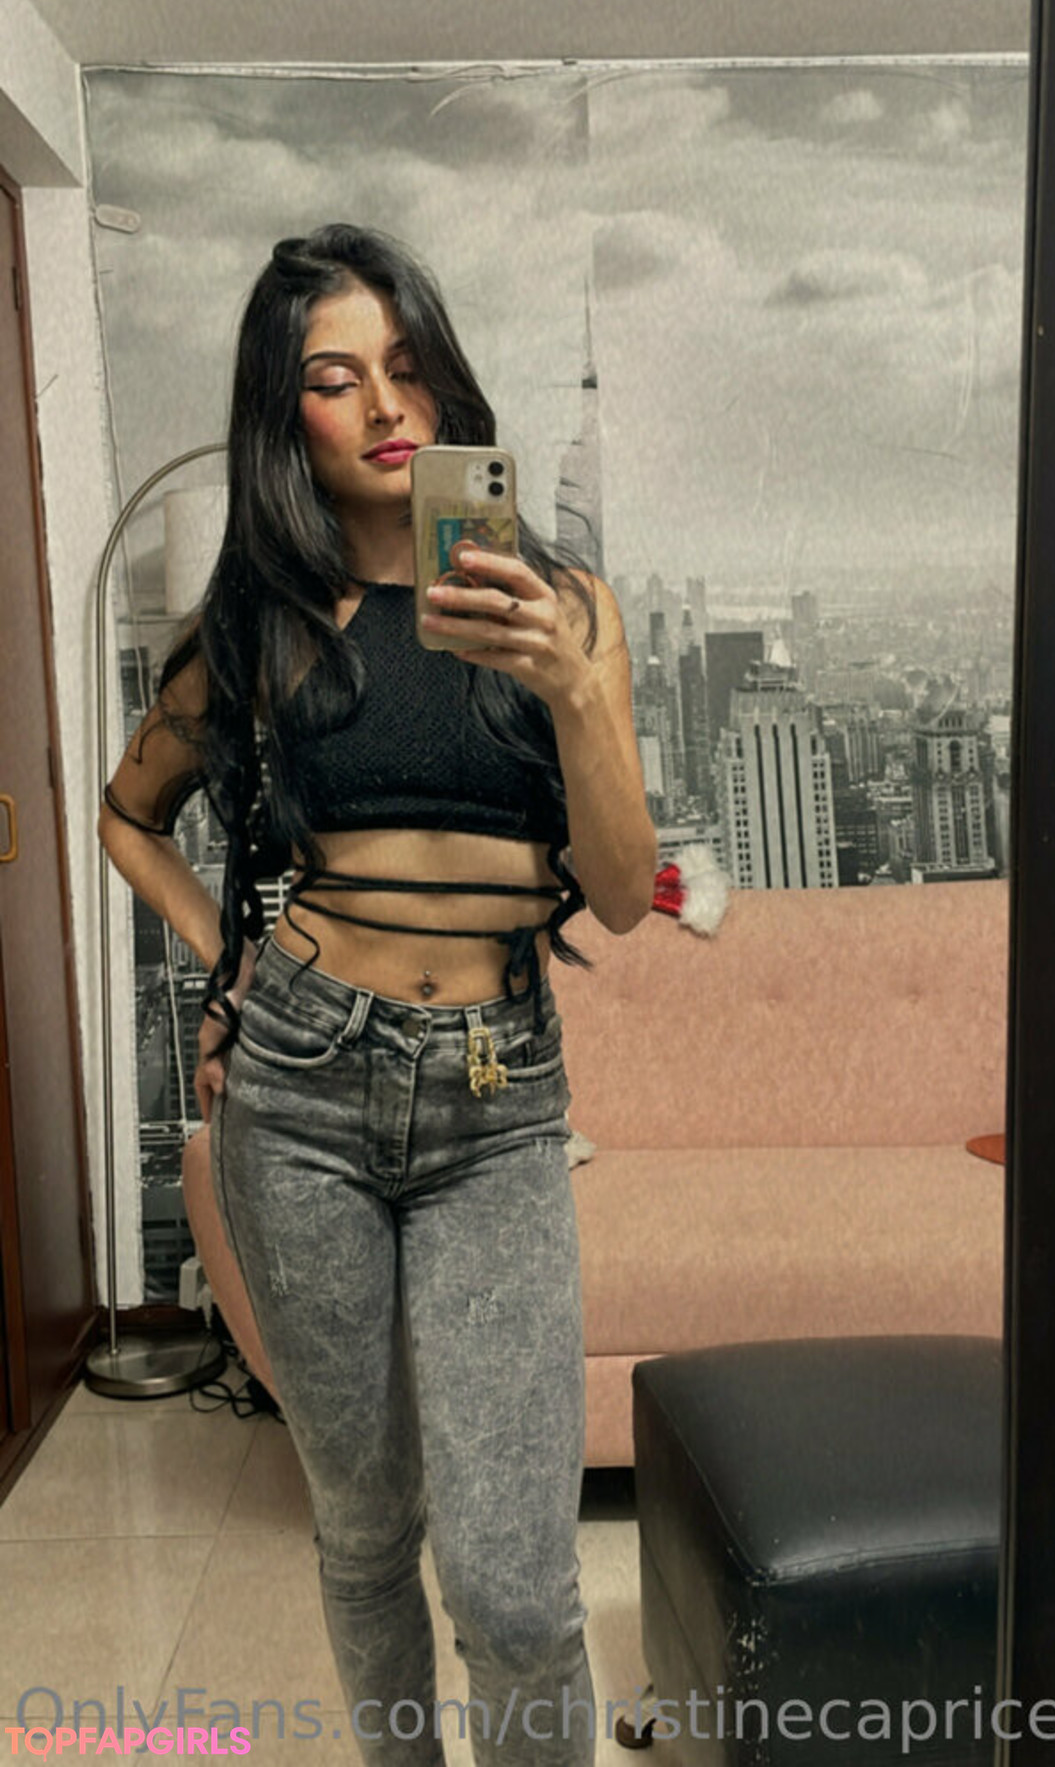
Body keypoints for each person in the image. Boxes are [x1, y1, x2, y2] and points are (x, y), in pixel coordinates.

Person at [99, 223, 657, 1767]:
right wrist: (230, 959)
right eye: (335, 378)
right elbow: (128, 816)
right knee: (361, 1531)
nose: (385, 404)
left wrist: (571, 687)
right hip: (298, 1093)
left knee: (515, 1589)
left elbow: (622, 892)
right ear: (286, 417)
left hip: (495, 1102)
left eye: (406, 366)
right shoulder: (256, 625)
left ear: (449, 382)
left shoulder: (567, 606)